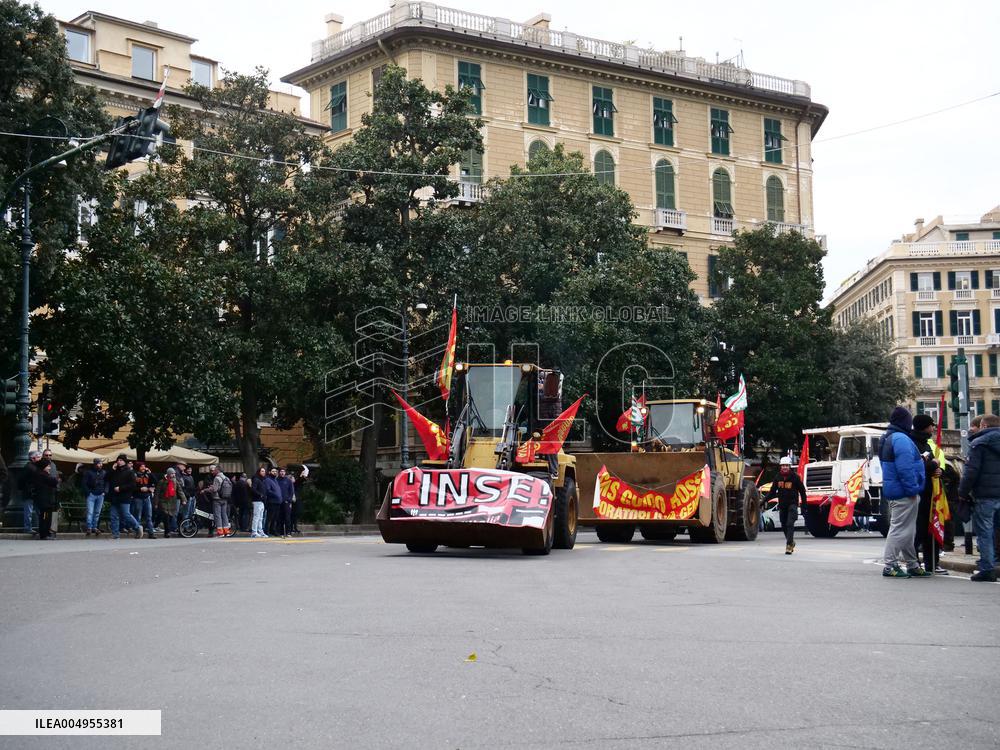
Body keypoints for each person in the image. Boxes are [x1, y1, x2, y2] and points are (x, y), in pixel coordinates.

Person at [879, 407, 931, 578]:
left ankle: (912, 563)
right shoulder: (901, 439)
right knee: (900, 529)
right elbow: (905, 468)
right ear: (905, 422)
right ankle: (890, 565)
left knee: (907, 530)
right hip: (904, 492)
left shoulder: (889, 437)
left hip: (896, 489)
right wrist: (912, 489)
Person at [958, 413, 1000, 582]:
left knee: (985, 532)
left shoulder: (979, 444)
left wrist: (962, 492)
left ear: (983, 426)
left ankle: (987, 568)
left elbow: (971, 472)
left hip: (985, 496)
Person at [910, 414, 944, 574]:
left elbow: (932, 462)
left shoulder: (927, 443)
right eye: (931, 425)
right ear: (925, 426)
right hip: (919, 492)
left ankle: (932, 563)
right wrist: (932, 465)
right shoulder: (912, 443)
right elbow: (918, 466)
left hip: (931, 491)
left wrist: (938, 469)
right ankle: (914, 562)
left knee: (930, 528)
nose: (933, 428)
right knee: (918, 529)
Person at [763, 456, 807, 554]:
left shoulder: (795, 477)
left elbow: (802, 492)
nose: (785, 467)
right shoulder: (777, 477)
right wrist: (763, 501)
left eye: (787, 465)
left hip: (792, 504)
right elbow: (772, 492)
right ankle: (791, 542)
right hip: (782, 505)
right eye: (783, 466)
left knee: (790, 524)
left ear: (790, 466)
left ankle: (788, 546)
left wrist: (804, 506)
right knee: (783, 525)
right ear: (780, 467)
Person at [24, 451, 60, 539]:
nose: (49, 468)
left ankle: (48, 533)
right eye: (47, 467)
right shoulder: (42, 475)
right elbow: (54, 481)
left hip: (48, 500)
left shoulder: (43, 473)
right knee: (44, 517)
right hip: (44, 501)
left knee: (47, 517)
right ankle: (44, 534)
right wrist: (57, 480)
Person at [107, 454, 142, 539]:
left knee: (126, 514)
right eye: (118, 460)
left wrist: (121, 488)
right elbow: (106, 478)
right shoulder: (115, 471)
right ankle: (115, 534)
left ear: (124, 462)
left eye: (121, 460)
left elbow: (132, 485)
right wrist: (112, 469)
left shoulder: (129, 472)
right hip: (115, 497)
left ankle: (137, 527)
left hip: (124, 497)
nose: (119, 462)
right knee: (113, 515)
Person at [153, 467, 186, 538]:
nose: (173, 475)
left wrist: (184, 499)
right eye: (172, 473)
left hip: (172, 501)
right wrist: (156, 503)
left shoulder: (175, 482)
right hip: (163, 501)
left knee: (171, 516)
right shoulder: (162, 482)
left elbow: (180, 491)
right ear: (168, 474)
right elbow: (157, 493)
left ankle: (167, 530)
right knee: (166, 516)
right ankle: (167, 532)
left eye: (174, 473)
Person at [82, 458, 107, 536]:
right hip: (92, 494)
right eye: (99, 463)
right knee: (90, 511)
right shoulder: (89, 472)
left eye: (101, 463)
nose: (100, 465)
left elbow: (107, 482)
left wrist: (105, 491)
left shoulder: (104, 472)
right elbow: (84, 483)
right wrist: (88, 492)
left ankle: (94, 527)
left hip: (100, 494)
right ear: (95, 464)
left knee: (97, 512)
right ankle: (89, 527)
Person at [207, 465, 232, 537]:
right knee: (224, 515)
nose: (213, 471)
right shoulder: (226, 478)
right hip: (225, 499)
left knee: (218, 515)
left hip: (217, 499)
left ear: (218, 470)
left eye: (214, 470)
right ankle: (226, 531)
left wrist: (209, 489)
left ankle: (220, 532)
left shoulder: (217, 478)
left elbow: (215, 489)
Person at [133, 460, 156, 539]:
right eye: (142, 466)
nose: (143, 467)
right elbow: (132, 486)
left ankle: (151, 533)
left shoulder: (147, 475)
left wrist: (150, 473)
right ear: (138, 467)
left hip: (147, 497)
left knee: (149, 516)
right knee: (138, 516)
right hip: (138, 497)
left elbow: (155, 481)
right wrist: (140, 489)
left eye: (144, 466)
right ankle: (138, 532)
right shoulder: (135, 475)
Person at [250, 465, 269, 538]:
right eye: (262, 471)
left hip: (261, 501)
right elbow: (253, 489)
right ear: (259, 472)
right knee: (256, 517)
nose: (264, 472)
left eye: (264, 471)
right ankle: (254, 532)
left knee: (260, 517)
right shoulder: (256, 479)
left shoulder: (262, 480)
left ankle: (260, 531)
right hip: (257, 500)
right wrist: (260, 494)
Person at [264, 467, 282, 537]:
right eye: (273, 471)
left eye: (275, 471)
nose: (275, 472)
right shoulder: (267, 480)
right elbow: (268, 491)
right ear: (269, 472)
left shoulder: (275, 480)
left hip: (278, 502)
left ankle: (273, 530)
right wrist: (276, 495)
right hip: (272, 502)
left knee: (275, 518)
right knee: (270, 517)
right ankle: (266, 531)